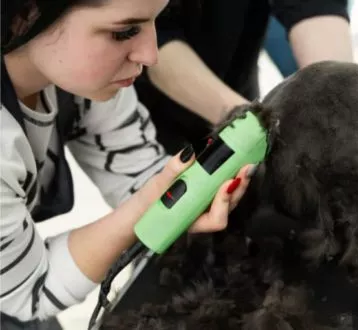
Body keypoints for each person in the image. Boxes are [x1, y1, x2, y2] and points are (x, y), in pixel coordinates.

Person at [0, 0, 255, 328]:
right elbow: (30, 290)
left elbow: (138, 173)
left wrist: (183, 200)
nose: (151, 55)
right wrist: (148, 203)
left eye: (154, 22)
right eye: (125, 32)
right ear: (25, 14)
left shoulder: (78, 78)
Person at [134, 0, 354, 155]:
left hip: (237, 75)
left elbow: (313, 6)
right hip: (150, 121)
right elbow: (153, 39)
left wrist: (338, 101)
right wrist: (256, 122)